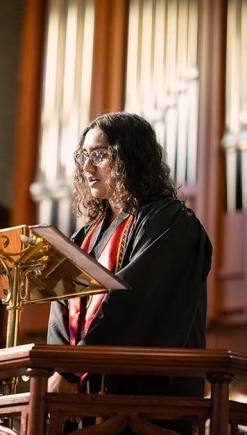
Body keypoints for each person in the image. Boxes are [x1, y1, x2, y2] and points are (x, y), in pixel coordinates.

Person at [47, 112, 212, 434]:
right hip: (78, 393)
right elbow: (62, 305)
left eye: (99, 155)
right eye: (84, 155)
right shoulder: (86, 236)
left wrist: (71, 370)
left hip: (143, 397)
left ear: (129, 158)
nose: (86, 167)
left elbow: (137, 303)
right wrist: (55, 367)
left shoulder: (169, 222)